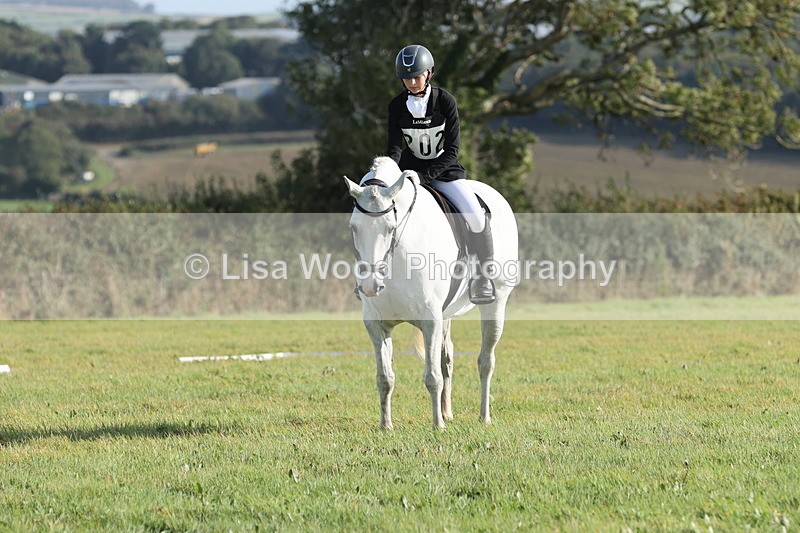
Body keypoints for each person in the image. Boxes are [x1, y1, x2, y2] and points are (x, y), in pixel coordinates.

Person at [387, 44, 495, 304]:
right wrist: (391, 173)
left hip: (446, 172)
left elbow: (453, 150)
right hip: (410, 176)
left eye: (417, 75)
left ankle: (483, 277)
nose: (412, 82)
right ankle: (374, 276)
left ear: (429, 73)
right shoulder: (396, 106)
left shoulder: (445, 101)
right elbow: (394, 148)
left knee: (476, 215)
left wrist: (425, 177)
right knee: (378, 215)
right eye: (406, 77)